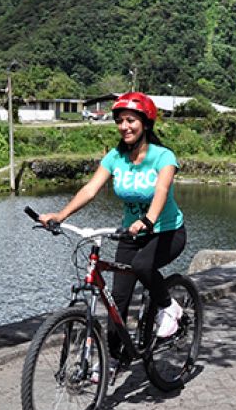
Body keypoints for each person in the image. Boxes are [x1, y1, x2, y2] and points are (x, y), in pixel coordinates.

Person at [39, 91, 186, 368]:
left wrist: (149, 220)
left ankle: (169, 307)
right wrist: (60, 214)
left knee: (143, 266)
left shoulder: (163, 156)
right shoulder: (115, 157)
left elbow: (162, 190)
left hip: (166, 231)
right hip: (130, 234)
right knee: (116, 301)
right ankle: (116, 359)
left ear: (145, 123)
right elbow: (91, 189)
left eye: (131, 120)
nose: (124, 127)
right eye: (119, 121)